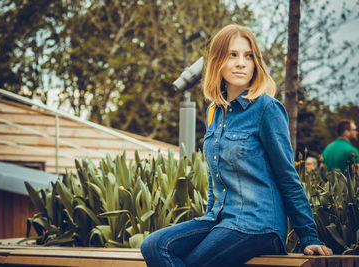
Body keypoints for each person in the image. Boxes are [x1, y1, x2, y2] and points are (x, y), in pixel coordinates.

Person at [140, 24, 332, 267]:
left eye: (248, 56)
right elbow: (215, 178)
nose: (241, 62)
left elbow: (287, 176)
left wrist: (309, 236)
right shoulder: (214, 113)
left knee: (194, 262)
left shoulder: (267, 109)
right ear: (217, 61)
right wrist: (210, 217)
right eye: (233, 55)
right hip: (220, 220)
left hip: (258, 224)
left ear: (256, 63)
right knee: (154, 245)